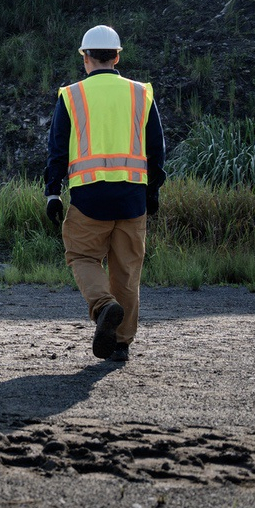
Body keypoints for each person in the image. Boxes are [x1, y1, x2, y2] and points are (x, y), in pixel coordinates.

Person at [44, 25, 165, 363]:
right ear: (117, 56)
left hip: (88, 197)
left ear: (85, 58)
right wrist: (152, 191)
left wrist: (52, 192)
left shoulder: (72, 96)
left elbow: (56, 151)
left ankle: (103, 305)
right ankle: (122, 344)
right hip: (132, 198)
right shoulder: (142, 94)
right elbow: (157, 150)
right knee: (126, 270)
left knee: (82, 257)